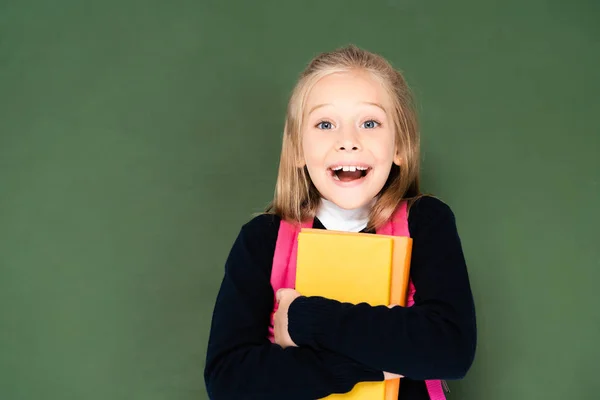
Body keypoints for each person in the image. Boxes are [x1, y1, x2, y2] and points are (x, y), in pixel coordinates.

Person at [204, 44, 477, 400]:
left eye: (369, 123)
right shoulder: (262, 240)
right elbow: (228, 381)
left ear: (400, 146)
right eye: (325, 124)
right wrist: (380, 359)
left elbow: (449, 350)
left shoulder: (426, 222)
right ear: (299, 149)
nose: (348, 141)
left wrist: (302, 319)